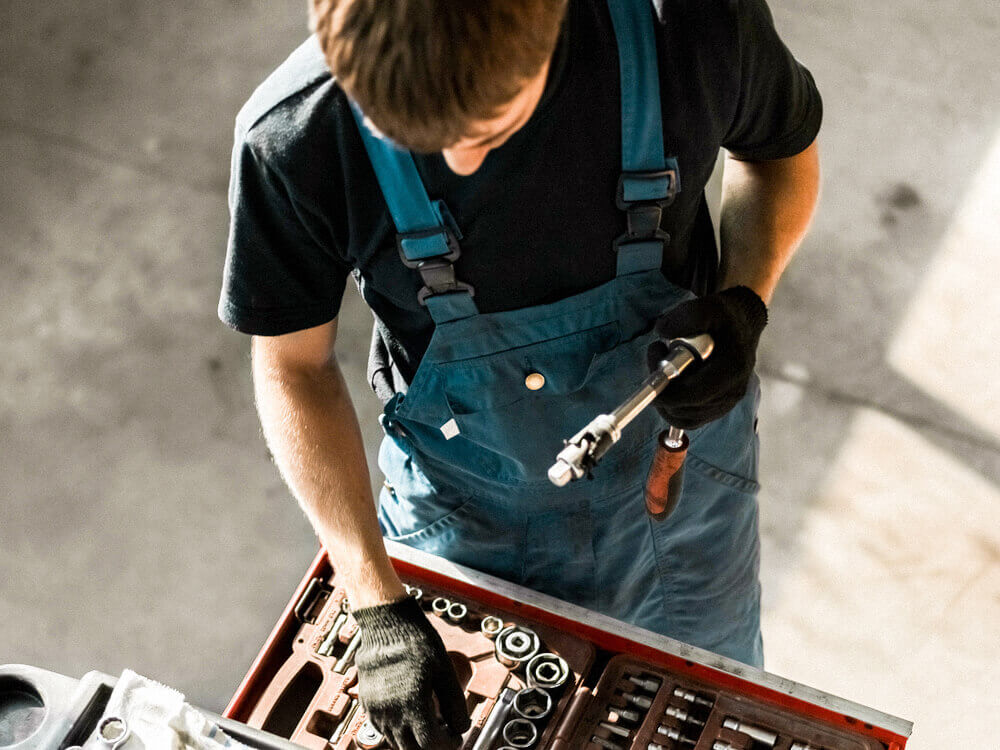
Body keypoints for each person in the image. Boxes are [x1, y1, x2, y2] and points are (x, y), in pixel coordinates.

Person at [219, 0, 821, 747]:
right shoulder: (294, 134)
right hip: (466, 511)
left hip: (681, 484)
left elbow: (779, 155)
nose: (462, 162)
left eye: (488, 129)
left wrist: (745, 298)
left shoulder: (691, 28)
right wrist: (373, 598)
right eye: (412, 138)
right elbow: (292, 369)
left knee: (708, 713)